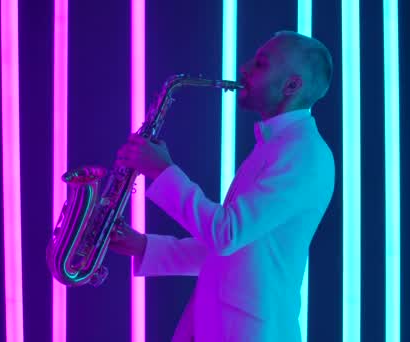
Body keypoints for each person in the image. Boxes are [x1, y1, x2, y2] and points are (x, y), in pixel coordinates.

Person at [111, 30, 335, 342]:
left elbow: (227, 234)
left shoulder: (303, 154)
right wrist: (144, 246)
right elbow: (238, 250)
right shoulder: (277, 146)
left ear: (292, 86)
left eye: (260, 64)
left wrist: (163, 171)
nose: (244, 68)